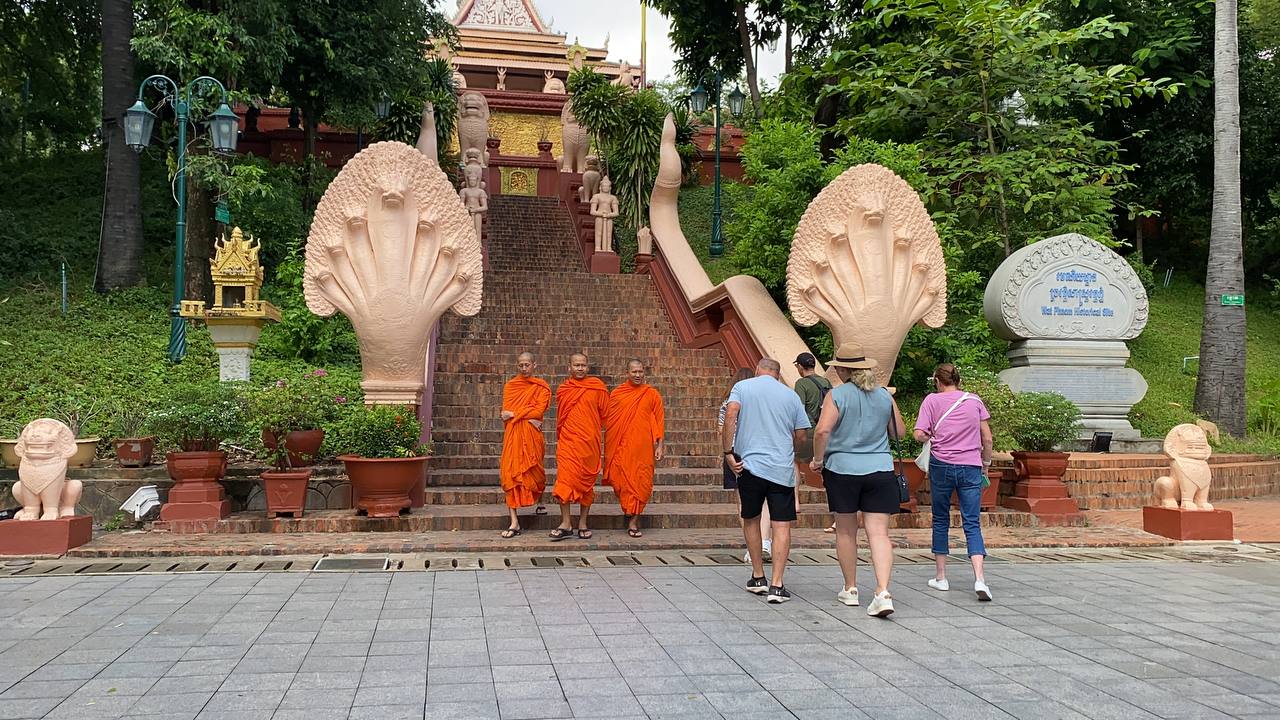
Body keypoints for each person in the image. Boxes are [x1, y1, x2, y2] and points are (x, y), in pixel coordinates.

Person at [810, 343, 906, 618]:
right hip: (879, 469)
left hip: (843, 470)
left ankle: (850, 589)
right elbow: (898, 431)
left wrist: (818, 460)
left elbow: (822, 430)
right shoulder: (885, 396)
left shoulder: (836, 395)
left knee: (846, 531)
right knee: (879, 534)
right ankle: (882, 591)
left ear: (842, 369)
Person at [722, 358, 810, 604]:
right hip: (781, 468)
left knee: (751, 518)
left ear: (759, 370)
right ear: (778, 374)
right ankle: (777, 585)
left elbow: (730, 415)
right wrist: (790, 449)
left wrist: (728, 452)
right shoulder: (790, 395)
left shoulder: (742, 388)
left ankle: (758, 576)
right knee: (781, 525)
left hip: (749, 466)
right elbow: (802, 434)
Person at [915, 363, 994, 601]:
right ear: (958, 380)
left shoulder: (931, 400)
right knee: (972, 522)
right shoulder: (974, 401)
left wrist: (929, 435)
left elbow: (919, 433)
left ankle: (941, 577)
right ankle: (980, 579)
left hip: (942, 464)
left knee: (941, 518)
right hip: (971, 465)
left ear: (937, 381)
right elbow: (987, 438)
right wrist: (986, 465)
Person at [551, 353, 609, 541]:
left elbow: (606, 415)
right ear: (569, 367)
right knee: (564, 481)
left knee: (586, 483)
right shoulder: (564, 389)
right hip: (568, 441)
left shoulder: (598, 388)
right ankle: (566, 523)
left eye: (583, 365)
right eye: (576, 365)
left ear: (588, 367)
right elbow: (561, 417)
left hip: (589, 443)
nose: (580, 368)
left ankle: (583, 523)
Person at [605, 360, 665, 537]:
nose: (637, 375)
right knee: (618, 480)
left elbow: (659, 420)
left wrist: (660, 445)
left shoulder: (652, 394)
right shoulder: (617, 394)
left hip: (643, 447)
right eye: (634, 372)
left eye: (640, 371)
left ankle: (633, 522)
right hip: (621, 446)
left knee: (641, 483)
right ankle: (628, 507)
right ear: (627, 373)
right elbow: (611, 422)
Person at [498, 352, 551, 538]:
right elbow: (504, 411)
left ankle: (540, 500)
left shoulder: (541, 387)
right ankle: (514, 522)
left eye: (527, 364)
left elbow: (538, 411)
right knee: (510, 474)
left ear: (534, 365)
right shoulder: (511, 386)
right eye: (520, 365)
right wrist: (521, 414)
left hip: (531, 435)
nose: (524, 368)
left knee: (535, 471)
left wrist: (514, 414)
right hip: (514, 435)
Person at [792, 352, 835, 533]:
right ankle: (835, 511)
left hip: (808, 430)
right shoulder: (826, 382)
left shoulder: (801, 384)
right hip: (826, 431)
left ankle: (795, 502)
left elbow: (798, 409)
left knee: (795, 462)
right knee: (828, 473)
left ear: (800, 367)